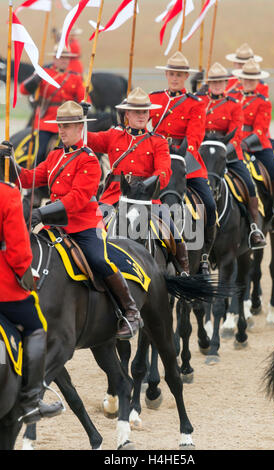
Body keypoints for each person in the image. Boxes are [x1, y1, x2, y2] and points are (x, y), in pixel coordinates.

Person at [4, 101, 143, 341]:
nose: (62, 130)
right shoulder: (55, 155)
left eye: (67, 126)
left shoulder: (89, 159)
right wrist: (8, 162)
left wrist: (41, 213)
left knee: (98, 259)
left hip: (84, 226)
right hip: (54, 226)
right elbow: (28, 179)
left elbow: (78, 198)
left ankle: (130, 310)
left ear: (80, 127)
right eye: (60, 126)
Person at [84, 87, 190, 275]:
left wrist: (150, 185)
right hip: (114, 197)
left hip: (146, 199)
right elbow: (86, 140)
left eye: (144, 111)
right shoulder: (113, 136)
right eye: (136, 111)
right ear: (127, 114)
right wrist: (82, 121)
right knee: (89, 229)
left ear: (149, 115)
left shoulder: (158, 141)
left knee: (173, 232)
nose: (141, 115)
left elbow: (164, 171)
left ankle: (183, 271)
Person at [0, 144, 63, 424]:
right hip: (4, 289)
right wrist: (26, 279)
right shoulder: (8, 195)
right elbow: (18, 252)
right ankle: (30, 401)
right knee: (37, 326)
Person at [149, 51, 217, 274]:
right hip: (157, 156)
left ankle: (205, 255)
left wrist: (182, 158)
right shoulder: (154, 99)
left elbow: (195, 136)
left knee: (209, 204)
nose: (175, 77)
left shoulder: (195, 104)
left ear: (185, 76)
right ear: (166, 75)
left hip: (185, 157)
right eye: (172, 74)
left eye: (179, 74)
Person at [196, 62, 266, 249]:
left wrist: (223, 152)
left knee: (249, 184)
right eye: (213, 82)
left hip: (227, 152)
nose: (217, 85)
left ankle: (253, 226)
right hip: (202, 151)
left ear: (226, 83)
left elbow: (236, 134)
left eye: (220, 81)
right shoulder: (199, 102)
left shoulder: (234, 105)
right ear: (209, 83)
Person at [231, 59, 274, 232]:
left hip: (257, 145)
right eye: (245, 79)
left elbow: (261, 129)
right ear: (241, 79)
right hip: (233, 144)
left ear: (257, 81)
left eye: (252, 79)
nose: (248, 82)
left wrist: (246, 142)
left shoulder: (263, 101)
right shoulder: (232, 97)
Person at [20, 45, 86, 168]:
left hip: (68, 120)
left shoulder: (75, 77)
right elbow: (23, 90)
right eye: (61, 57)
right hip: (47, 121)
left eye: (67, 58)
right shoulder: (44, 73)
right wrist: (35, 80)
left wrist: (84, 106)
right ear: (54, 59)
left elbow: (85, 99)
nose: (64, 60)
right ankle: (37, 181)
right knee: (40, 153)